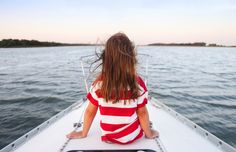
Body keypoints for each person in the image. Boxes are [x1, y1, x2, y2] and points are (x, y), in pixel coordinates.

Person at [66, 33, 159, 144]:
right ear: (131, 57)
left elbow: (90, 112)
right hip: (131, 137)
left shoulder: (99, 84)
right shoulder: (137, 83)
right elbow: (142, 113)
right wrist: (149, 134)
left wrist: (83, 133)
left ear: (106, 58)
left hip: (108, 138)